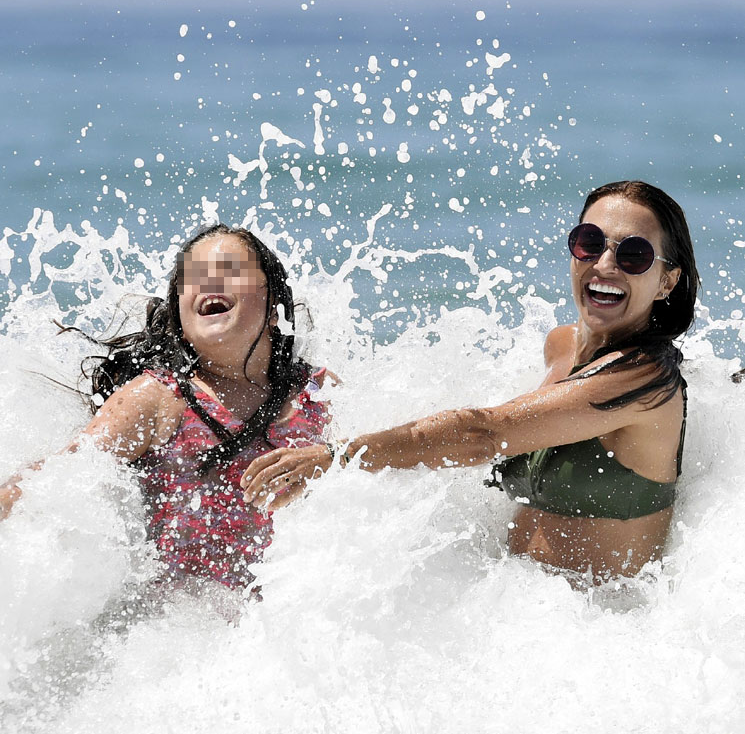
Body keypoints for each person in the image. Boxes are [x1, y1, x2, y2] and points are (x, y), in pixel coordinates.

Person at [242, 181, 700, 581]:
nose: (604, 263)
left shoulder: (645, 380)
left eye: (634, 254)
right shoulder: (561, 346)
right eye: (589, 241)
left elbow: (485, 433)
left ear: (666, 282)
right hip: (512, 619)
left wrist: (337, 457)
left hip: (602, 638)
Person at [0, 224, 331, 592]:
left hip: (295, 619)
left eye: (230, 270)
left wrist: (333, 457)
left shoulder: (316, 391)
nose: (209, 283)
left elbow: (400, 443)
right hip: (186, 631)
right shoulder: (158, 398)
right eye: (194, 278)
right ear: (180, 317)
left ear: (274, 308)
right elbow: (60, 475)